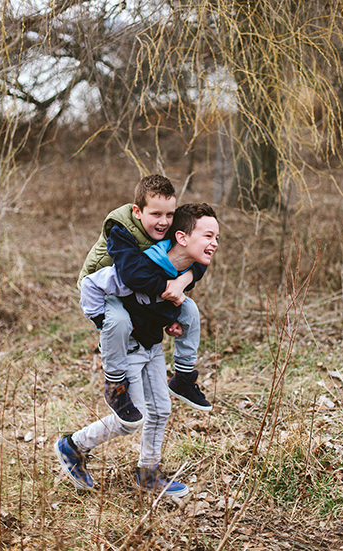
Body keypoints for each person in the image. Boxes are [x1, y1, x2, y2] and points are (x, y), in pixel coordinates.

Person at [56, 203, 220, 495]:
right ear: (182, 238)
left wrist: (171, 317)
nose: (215, 243)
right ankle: (73, 446)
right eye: (208, 236)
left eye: (216, 237)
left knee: (161, 410)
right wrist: (104, 321)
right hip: (127, 346)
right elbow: (92, 285)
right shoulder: (137, 268)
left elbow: (168, 295)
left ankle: (148, 472)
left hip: (152, 345)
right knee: (131, 421)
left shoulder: (186, 268)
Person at [77, 175, 211, 429]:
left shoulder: (167, 228)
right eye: (156, 214)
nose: (164, 222)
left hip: (133, 290)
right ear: (138, 212)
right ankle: (116, 386)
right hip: (102, 291)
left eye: (169, 214)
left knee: (190, 309)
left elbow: (195, 254)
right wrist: (168, 295)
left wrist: (183, 282)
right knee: (118, 320)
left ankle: (183, 376)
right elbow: (133, 276)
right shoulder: (120, 230)